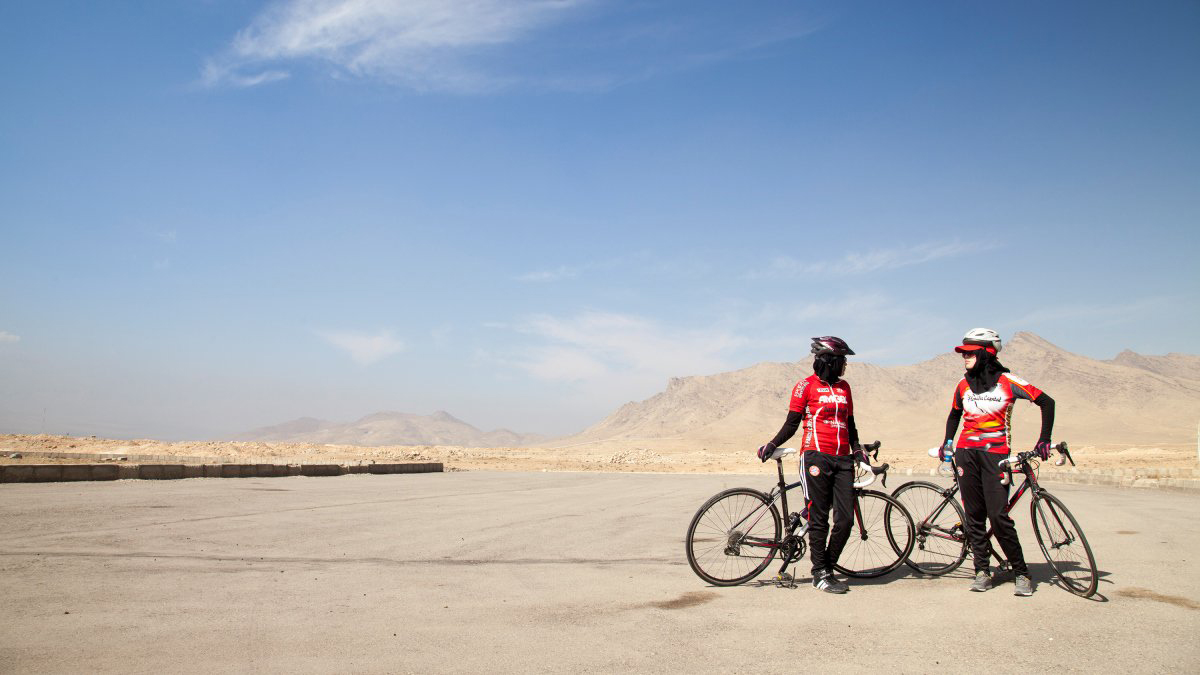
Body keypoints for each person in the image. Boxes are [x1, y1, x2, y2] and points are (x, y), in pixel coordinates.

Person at [940, 328, 1055, 597]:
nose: (964, 357)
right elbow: (954, 415)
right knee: (974, 517)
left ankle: (1021, 572)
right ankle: (982, 570)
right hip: (966, 454)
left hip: (997, 456)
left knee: (999, 516)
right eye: (963, 353)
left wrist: (1044, 440)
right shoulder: (963, 384)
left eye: (969, 353)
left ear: (985, 353)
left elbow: (1047, 402)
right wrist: (948, 443)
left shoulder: (1008, 381)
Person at [757, 336, 864, 594]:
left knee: (846, 519)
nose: (846, 365)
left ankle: (827, 564)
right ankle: (820, 573)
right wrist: (772, 443)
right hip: (815, 457)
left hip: (842, 459)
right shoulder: (805, 386)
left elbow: (849, 424)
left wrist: (858, 449)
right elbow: (792, 422)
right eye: (843, 360)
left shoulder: (845, 388)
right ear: (831, 361)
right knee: (819, 518)